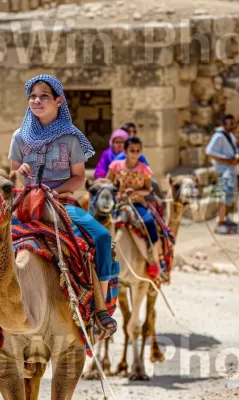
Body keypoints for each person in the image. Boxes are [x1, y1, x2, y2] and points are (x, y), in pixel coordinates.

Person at [8, 74, 117, 332]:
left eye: (44, 96)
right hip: (27, 204)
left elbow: (79, 177)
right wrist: (21, 172)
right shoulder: (19, 136)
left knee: (101, 237)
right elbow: (12, 177)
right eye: (33, 96)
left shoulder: (70, 138)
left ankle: (99, 309)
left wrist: (53, 191)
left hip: (61, 202)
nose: (37, 100)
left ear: (59, 101)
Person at [106, 137, 161, 278]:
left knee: (149, 222)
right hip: (116, 203)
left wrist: (134, 193)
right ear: (125, 151)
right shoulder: (116, 166)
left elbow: (148, 189)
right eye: (132, 150)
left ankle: (152, 257)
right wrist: (118, 193)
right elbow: (107, 184)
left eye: (138, 150)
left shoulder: (144, 169)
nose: (135, 153)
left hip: (136, 203)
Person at [205, 114, 239, 234]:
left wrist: (237, 156)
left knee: (231, 197)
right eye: (228, 123)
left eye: (232, 123)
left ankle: (226, 219)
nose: (230, 126)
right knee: (224, 198)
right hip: (224, 171)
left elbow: (235, 148)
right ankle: (219, 223)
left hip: (231, 170)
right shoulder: (218, 136)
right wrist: (227, 160)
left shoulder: (230, 135)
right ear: (223, 124)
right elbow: (209, 152)